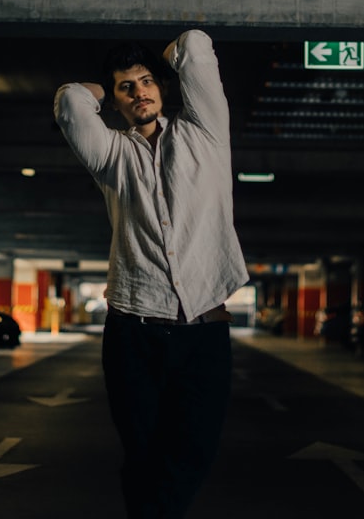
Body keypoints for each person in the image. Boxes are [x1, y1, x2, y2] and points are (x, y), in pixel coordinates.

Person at [53, 28, 249, 518]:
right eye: (126, 87)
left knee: (193, 450)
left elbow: (195, 46)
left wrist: (164, 59)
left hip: (203, 329)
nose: (139, 91)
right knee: (142, 452)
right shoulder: (110, 155)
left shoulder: (206, 132)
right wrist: (103, 85)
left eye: (146, 82)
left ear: (162, 87)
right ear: (116, 102)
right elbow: (70, 103)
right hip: (132, 331)